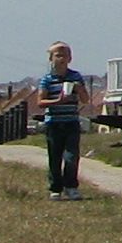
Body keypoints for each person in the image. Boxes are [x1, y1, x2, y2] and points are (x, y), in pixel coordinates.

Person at [36, 42, 91, 200]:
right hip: (54, 122)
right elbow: (40, 102)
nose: (61, 59)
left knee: (71, 156)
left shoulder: (75, 77)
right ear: (51, 59)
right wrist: (57, 101)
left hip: (71, 121)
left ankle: (71, 186)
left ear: (70, 58)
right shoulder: (47, 80)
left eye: (64, 55)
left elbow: (85, 100)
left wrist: (79, 89)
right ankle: (55, 188)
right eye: (58, 55)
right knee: (55, 157)